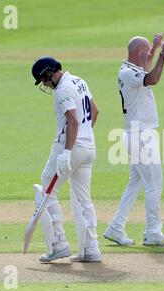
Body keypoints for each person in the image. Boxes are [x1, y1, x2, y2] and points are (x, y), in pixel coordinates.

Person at [103, 34, 164, 246]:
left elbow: (145, 67)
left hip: (138, 134)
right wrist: (163, 56)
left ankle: (116, 227)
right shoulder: (128, 73)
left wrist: (154, 48)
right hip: (141, 135)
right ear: (138, 52)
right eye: (146, 52)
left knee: (135, 183)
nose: (149, 56)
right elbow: (152, 78)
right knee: (155, 183)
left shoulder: (132, 69)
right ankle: (153, 232)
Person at [31, 56, 102, 262]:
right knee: (83, 199)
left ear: (49, 73)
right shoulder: (79, 81)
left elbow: (72, 120)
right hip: (89, 147)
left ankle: (58, 244)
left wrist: (69, 151)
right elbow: (95, 111)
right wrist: (83, 139)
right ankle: (91, 249)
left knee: (47, 191)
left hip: (69, 146)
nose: (44, 84)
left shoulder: (62, 90)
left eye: (43, 80)